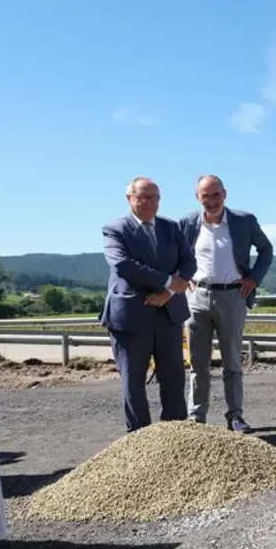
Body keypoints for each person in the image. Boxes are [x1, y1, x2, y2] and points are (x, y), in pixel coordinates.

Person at [100, 177, 196, 432]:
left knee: (173, 378)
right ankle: (139, 441)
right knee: (133, 381)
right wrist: (168, 280)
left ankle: (175, 434)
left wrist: (168, 291)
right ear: (129, 198)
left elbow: (189, 263)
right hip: (131, 315)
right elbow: (123, 266)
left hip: (168, 313)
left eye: (154, 197)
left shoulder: (171, 228)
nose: (149, 202)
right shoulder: (115, 229)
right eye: (142, 197)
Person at [179, 175, 274, 432]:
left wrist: (254, 278)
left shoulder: (244, 221)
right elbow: (176, 254)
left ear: (225, 194)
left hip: (233, 296)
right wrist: (181, 278)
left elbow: (266, 249)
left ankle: (235, 417)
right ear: (197, 197)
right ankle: (196, 419)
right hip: (196, 297)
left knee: (232, 362)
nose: (211, 201)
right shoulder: (187, 223)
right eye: (205, 196)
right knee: (198, 364)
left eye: (215, 195)